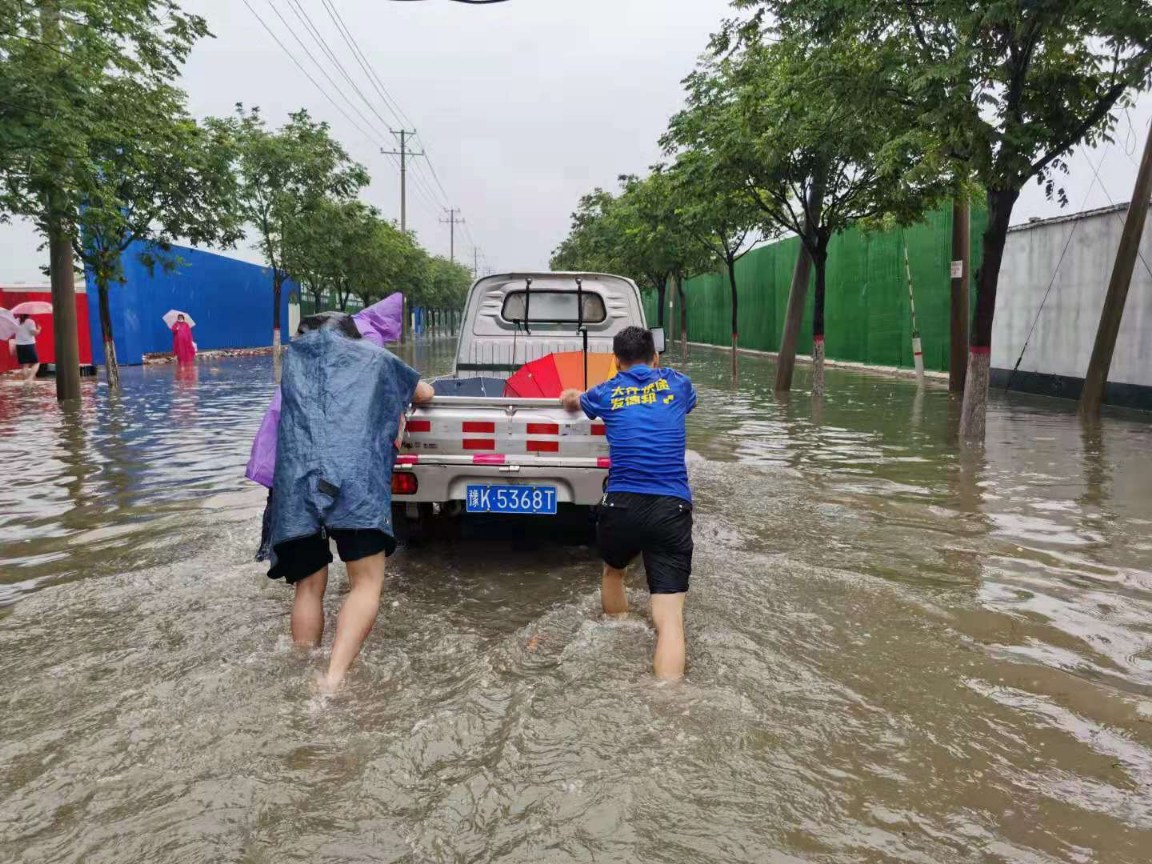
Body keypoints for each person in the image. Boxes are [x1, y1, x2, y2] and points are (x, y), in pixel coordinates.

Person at [265, 311, 434, 692]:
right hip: (354, 485)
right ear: (352, 335)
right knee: (366, 583)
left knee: (307, 587)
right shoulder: (374, 357)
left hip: (297, 484)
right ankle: (333, 679)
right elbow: (423, 392)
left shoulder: (292, 361)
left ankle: (303, 666)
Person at [560, 326, 698, 680]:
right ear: (655, 357)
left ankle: (618, 631)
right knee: (670, 620)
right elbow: (688, 402)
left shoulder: (607, 391)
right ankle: (669, 697)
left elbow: (576, 401)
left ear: (616, 362)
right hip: (672, 507)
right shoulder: (677, 384)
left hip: (621, 505)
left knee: (613, 571)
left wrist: (573, 395)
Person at [13, 314, 41, 384]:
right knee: (36, 363)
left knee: (25, 364)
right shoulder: (30, 321)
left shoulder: (16, 321)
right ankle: (30, 379)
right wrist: (39, 330)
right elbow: (33, 333)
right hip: (29, 344)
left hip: (19, 345)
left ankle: (26, 380)